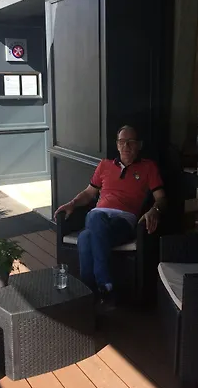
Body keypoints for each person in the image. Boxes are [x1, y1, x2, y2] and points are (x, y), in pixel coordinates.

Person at [54, 125, 166, 308]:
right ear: (117, 144)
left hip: (124, 221)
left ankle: (92, 291)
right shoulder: (104, 165)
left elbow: (161, 198)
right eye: (122, 142)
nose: (126, 146)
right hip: (98, 216)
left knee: (86, 235)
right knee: (92, 225)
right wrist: (72, 203)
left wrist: (155, 210)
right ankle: (103, 291)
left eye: (131, 142)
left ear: (139, 145)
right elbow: (89, 193)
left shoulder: (148, 167)